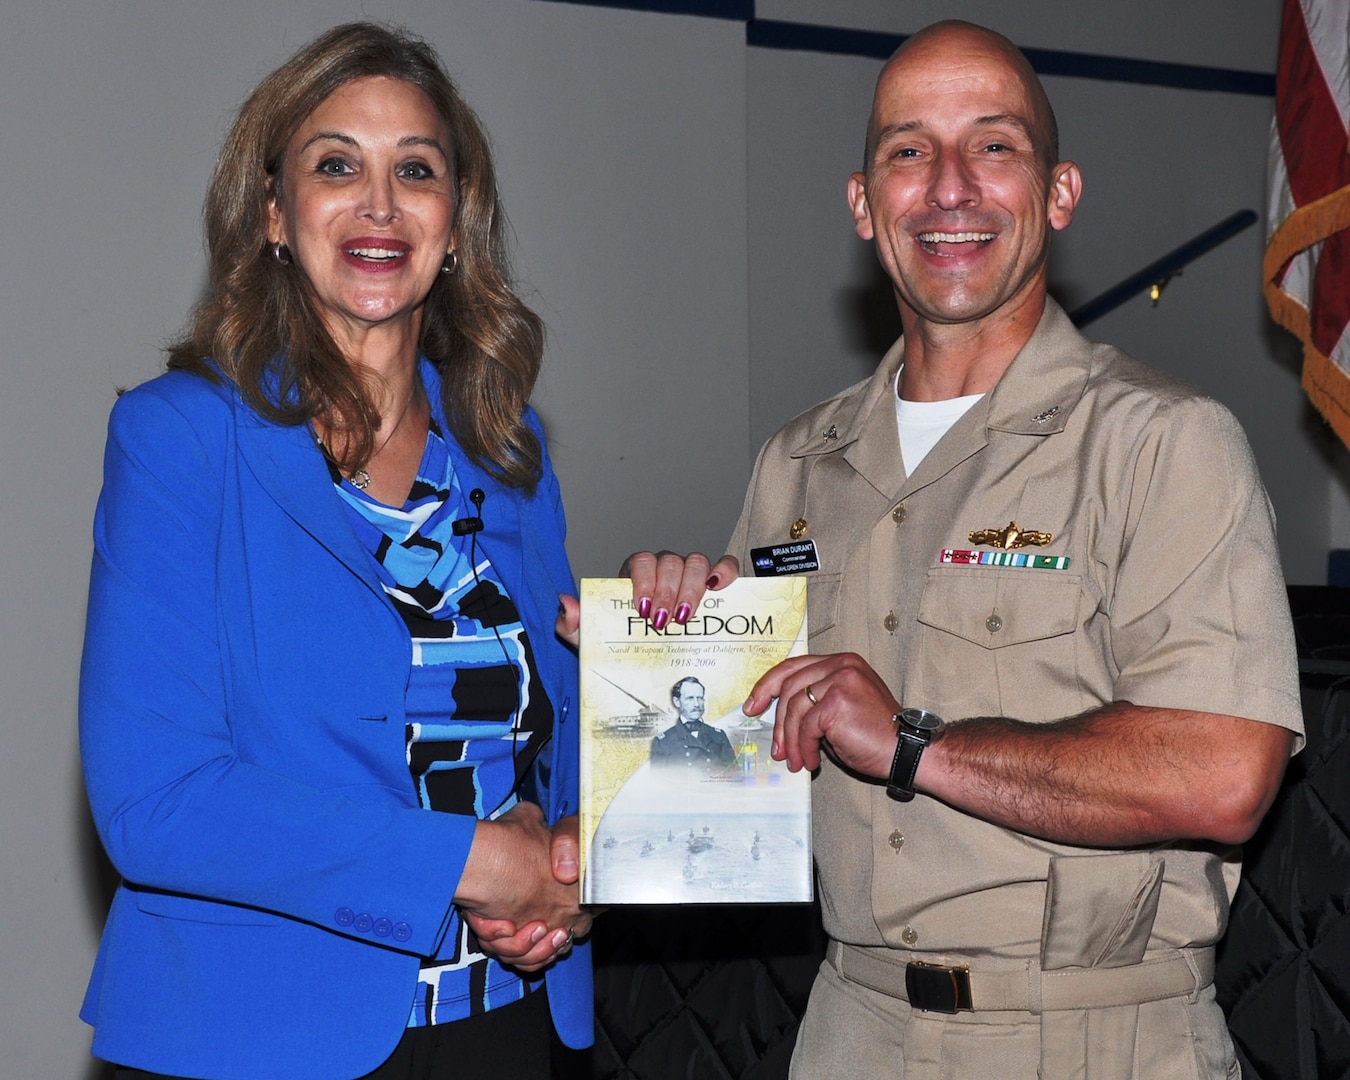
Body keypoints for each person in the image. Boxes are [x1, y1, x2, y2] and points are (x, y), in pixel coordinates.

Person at [620, 20, 1302, 1079]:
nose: (949, 187)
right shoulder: (797, 465)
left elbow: (1223, 776)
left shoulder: (1162, 442)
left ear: (1058, 193)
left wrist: (912, 742)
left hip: (1092, 1038)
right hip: (849, 1027)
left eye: (994, 145)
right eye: (908, 150)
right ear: (863, 203)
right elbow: (726, 786)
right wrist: (669, 640)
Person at [78, 23, 591, 1080]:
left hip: (505, 1025)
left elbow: (549, 737)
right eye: (335, 166)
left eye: (416, 169)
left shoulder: (509, 447)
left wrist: (571, 861)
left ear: (456, 225)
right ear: (274, 212)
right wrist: (473, 862)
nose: (380, 204)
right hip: (252, 1042)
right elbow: (156, 804)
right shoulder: (181, 440)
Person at [650, 676, 737, 769]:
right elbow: (657, 781)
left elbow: (733, 774)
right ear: (677, 702)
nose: (696, 704)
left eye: (700, 698)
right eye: (690, 698)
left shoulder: (718, 736)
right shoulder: (663, 742)